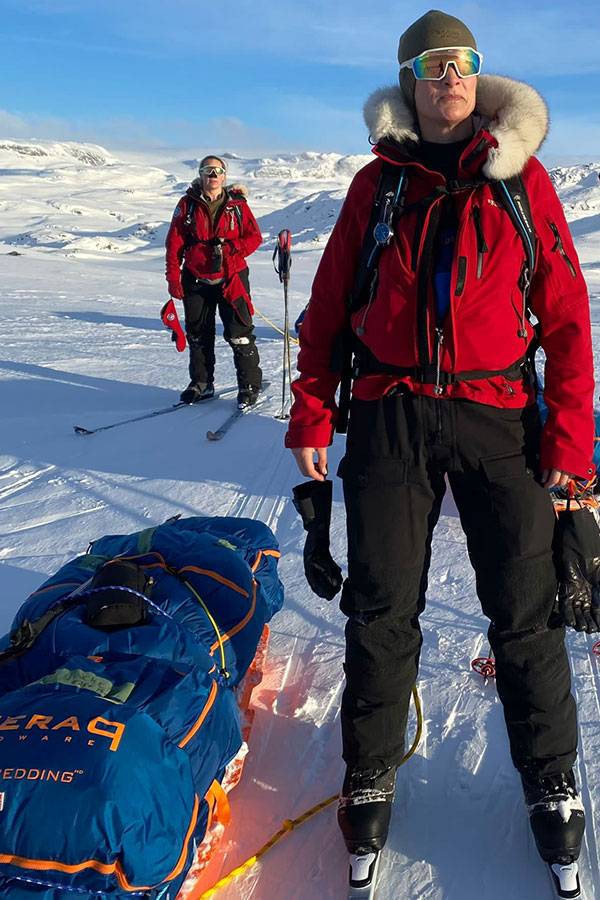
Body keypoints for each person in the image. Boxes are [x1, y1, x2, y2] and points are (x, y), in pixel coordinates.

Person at [286, 8, 595, 887]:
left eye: (463, 62)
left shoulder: (520, 182)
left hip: (499, 416)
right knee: (381, 609)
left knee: (525, 610)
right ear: (411, 82)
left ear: (478, 77)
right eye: (432, 64)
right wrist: (313, 413)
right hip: (390, 412)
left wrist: (571, 439)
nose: (450, 75)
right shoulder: (374, 186)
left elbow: (568, 322)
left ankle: (550, 780)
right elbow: (328, 312)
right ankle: (371, 770)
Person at [165, 155, 263, 408]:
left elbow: (254, 237)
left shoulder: (238, 205)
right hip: (196, 278)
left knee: (239, 333)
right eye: (208, 170)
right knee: (198, 334)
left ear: (225, 176)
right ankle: (201, 383)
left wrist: (233, 248)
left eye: (218, 171)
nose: (213, 175)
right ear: (200, 174)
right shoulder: (187, 204)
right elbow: (174, 242)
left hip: (232, 277)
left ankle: (249, 386)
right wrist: (173, 277)